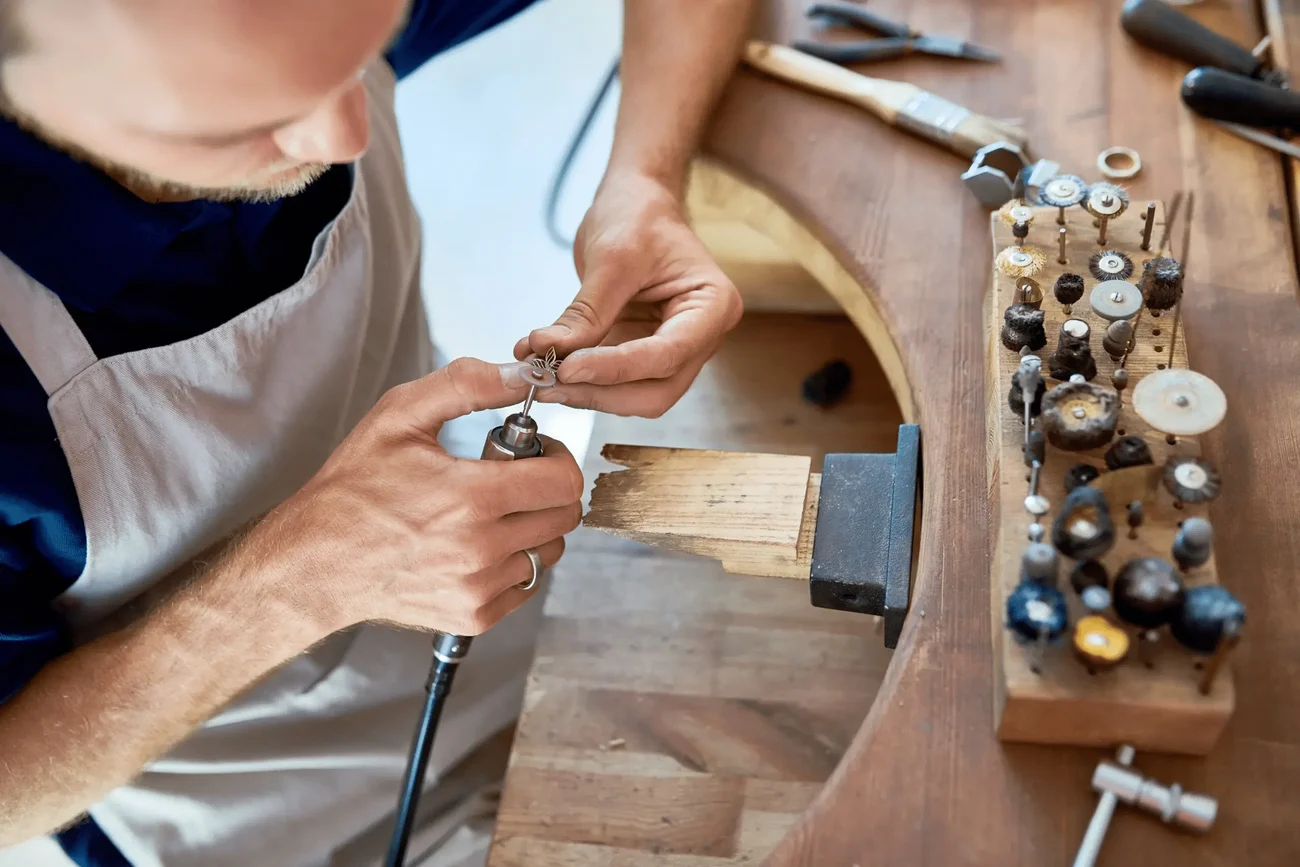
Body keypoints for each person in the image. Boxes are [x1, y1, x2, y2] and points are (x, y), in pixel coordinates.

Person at [0, 1, 750, 864]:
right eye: (255, 118)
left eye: (363, 56)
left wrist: (645, 179)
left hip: (532, 637)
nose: (347, 134)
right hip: (257, 822)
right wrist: (300, 581)